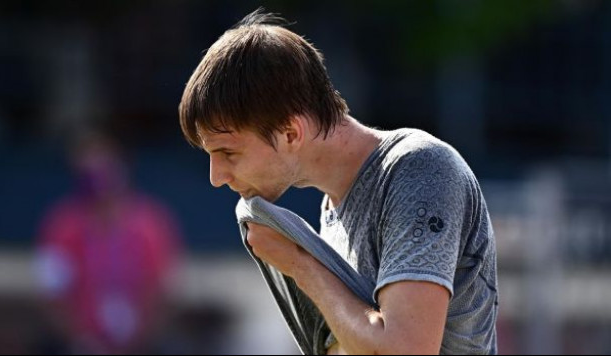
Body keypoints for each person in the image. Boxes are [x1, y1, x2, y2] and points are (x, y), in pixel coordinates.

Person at [179, 9, 498, 355]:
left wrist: (301, 264)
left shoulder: (419, 169)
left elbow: (405, 349)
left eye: (228, 152)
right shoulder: (332, 206)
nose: (216, 177)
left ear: (290, 133)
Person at [36, 131, 182, 354]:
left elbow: (163, 291)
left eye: (105, 164)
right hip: (80, 343)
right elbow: (52, 294)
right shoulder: (62, 225)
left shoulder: (151, 224)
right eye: (89, 167)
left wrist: (139, 340)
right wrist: (82, 341)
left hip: (141, 343)